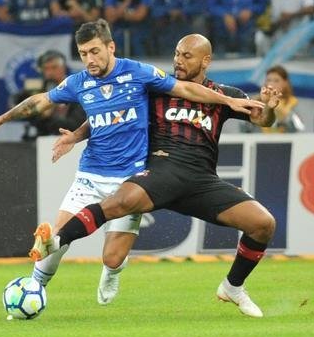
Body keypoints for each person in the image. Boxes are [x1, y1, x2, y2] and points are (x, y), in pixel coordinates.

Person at [0, 20, 264, 305]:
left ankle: (112, 272)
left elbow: (186, 89)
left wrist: (227, 102)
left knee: (112, 257)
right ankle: (34, 290)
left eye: (95, 51)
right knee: (57, 241)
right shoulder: (78, 82)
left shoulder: (140, 74)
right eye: (83, 54)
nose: (89, 59)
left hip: (132, 176)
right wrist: (3, 119)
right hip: (90, 174)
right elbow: (44, 101)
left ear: (111, 47)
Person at [37, 33, 279, 315]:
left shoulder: (224, 96)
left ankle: (233, 287)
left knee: (264, 224)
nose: (178, 60)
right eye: (177, 54)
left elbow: (261, 119)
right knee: (118, 207)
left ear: (206, 61)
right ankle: (56, 241)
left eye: (187, 56)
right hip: (160, 171)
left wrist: (270, 110)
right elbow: (112, 111)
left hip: (201, 181)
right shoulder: (156, 88)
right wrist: (76, 136)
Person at [14, 50, 85, 140]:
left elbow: (77, 124)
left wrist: (49, 116)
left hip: (72, 140)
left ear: (63, 68)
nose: (50, 72)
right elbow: (16, 104)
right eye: (46, 69)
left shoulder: (76, 88)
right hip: (42, 140)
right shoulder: (38, 89)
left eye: (54, 67)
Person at [256, 65, 305, 133]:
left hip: (286, 141)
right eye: (268, 80)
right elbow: (247, 129)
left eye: (276, 81)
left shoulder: (293, 102)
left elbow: (299, 128)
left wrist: (278, 107)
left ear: (285, 83)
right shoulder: (257, 102)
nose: (271, 84)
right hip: (262, 141)